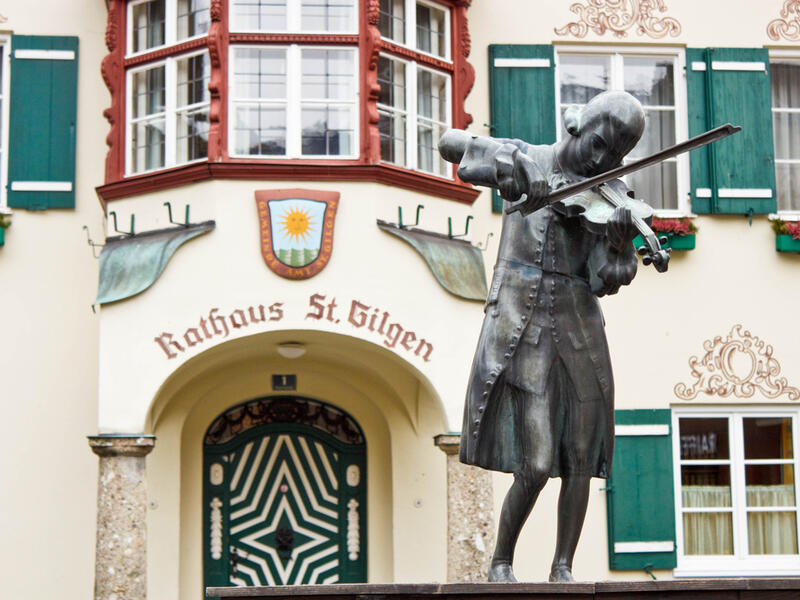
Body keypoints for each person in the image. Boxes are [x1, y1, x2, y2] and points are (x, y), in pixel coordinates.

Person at [438, 91, 646, 583]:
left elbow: (601, 279)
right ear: (576, 124)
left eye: (612, 157)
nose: (600, 161)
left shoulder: (610, 194)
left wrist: (618, 244)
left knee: (579, 453)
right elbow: (451, 144)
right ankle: (501, 561)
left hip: (579, 327)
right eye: (597, 145)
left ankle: (563, 568)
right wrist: (511, 164)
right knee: (534, 462)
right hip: (523, 325)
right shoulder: (527, 157)